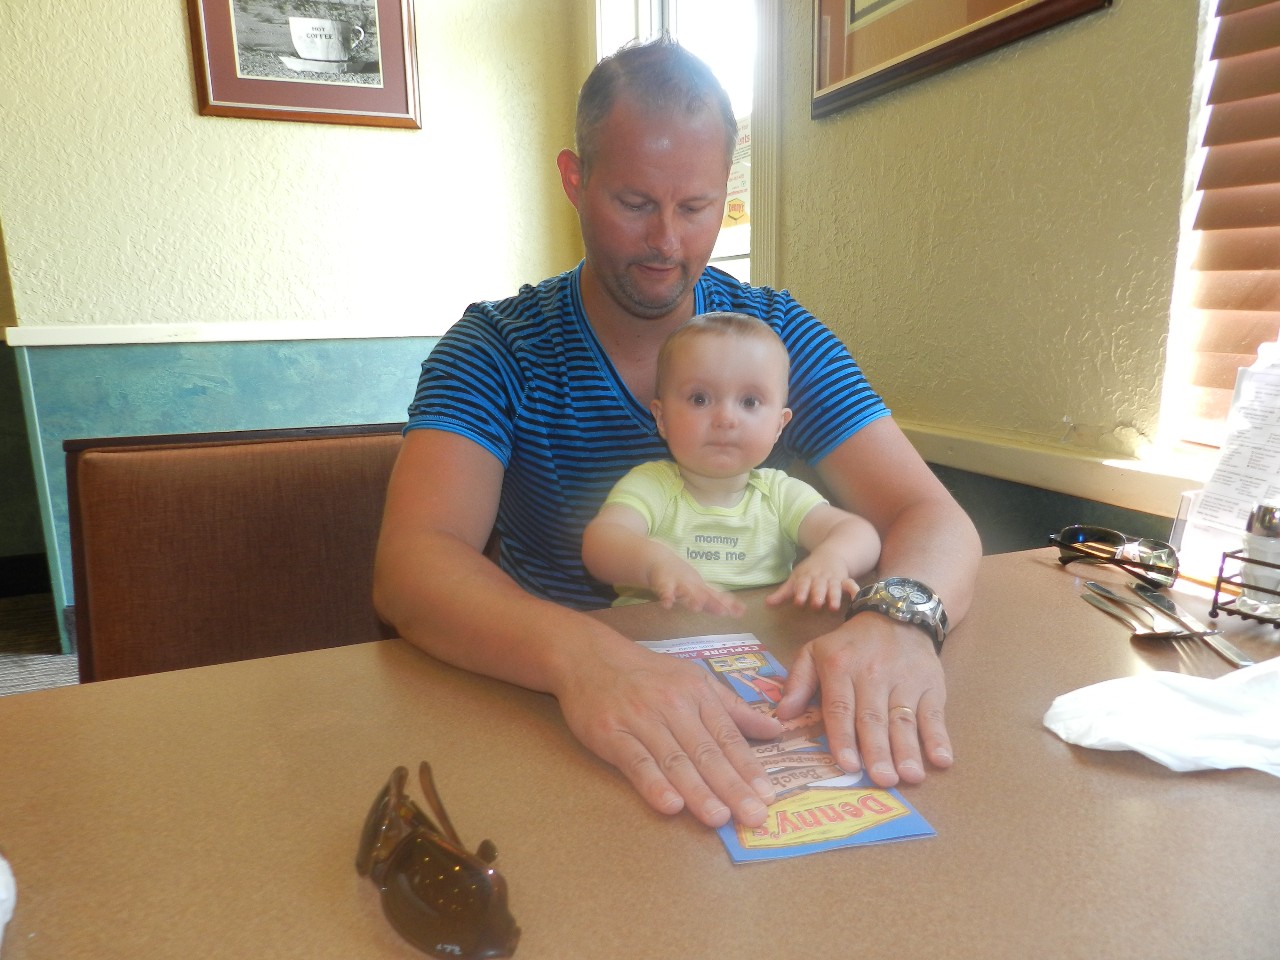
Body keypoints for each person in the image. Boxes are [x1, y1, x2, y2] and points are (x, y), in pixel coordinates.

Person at [374, 35, 982, 831]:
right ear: (575, 179)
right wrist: (587, 659)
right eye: (635, 203)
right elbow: (413, 565)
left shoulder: (776, 335)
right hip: (552, 713)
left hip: (765, 705)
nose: (667, 243)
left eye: (695, 208)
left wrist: (899, 619)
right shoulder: (495, 348)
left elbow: (929, 515)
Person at [582, 311, 881, 616]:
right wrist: (655, 564)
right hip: (653, 640)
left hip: (757, 642)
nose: (725, 419)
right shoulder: (651, 485)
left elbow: (859, 533)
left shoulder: (779, 494)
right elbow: (600, 543)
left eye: (750, 402)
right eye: (699, 399)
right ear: (661, 418)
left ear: (779, 425)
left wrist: (833, 559)